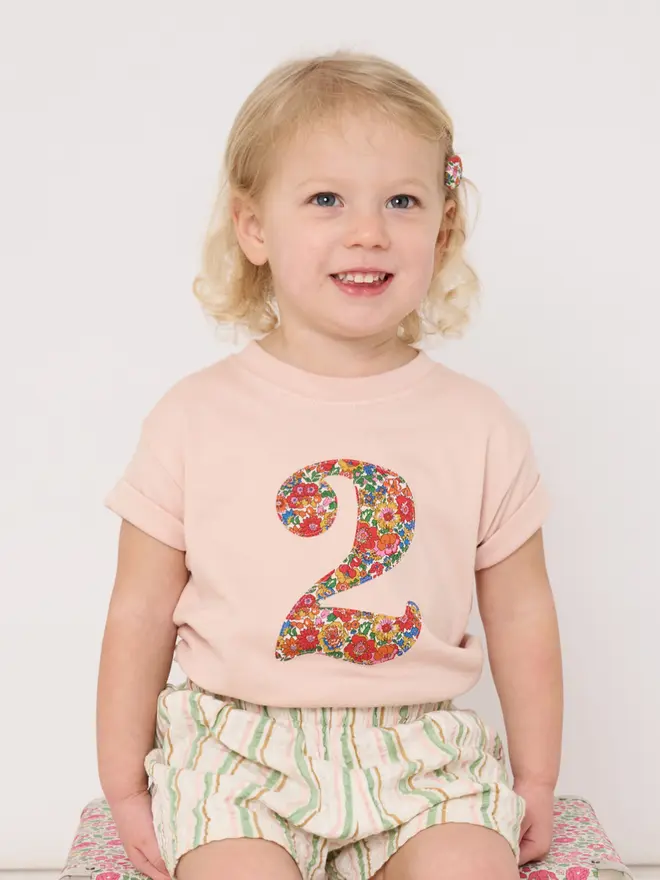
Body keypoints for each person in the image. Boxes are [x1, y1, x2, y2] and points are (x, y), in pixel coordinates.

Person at [97, 51, 563, 880]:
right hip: (239, 751)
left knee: (468, 868)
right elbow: (139, 610)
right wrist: (126, 785)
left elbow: (522, 613)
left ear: (443, 229)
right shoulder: (193, 416)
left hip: (418, 753)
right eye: (325, 200)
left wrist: (534, 779)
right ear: (254, 228)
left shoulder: (480, 424)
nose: (368, 231)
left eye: (403, 201)